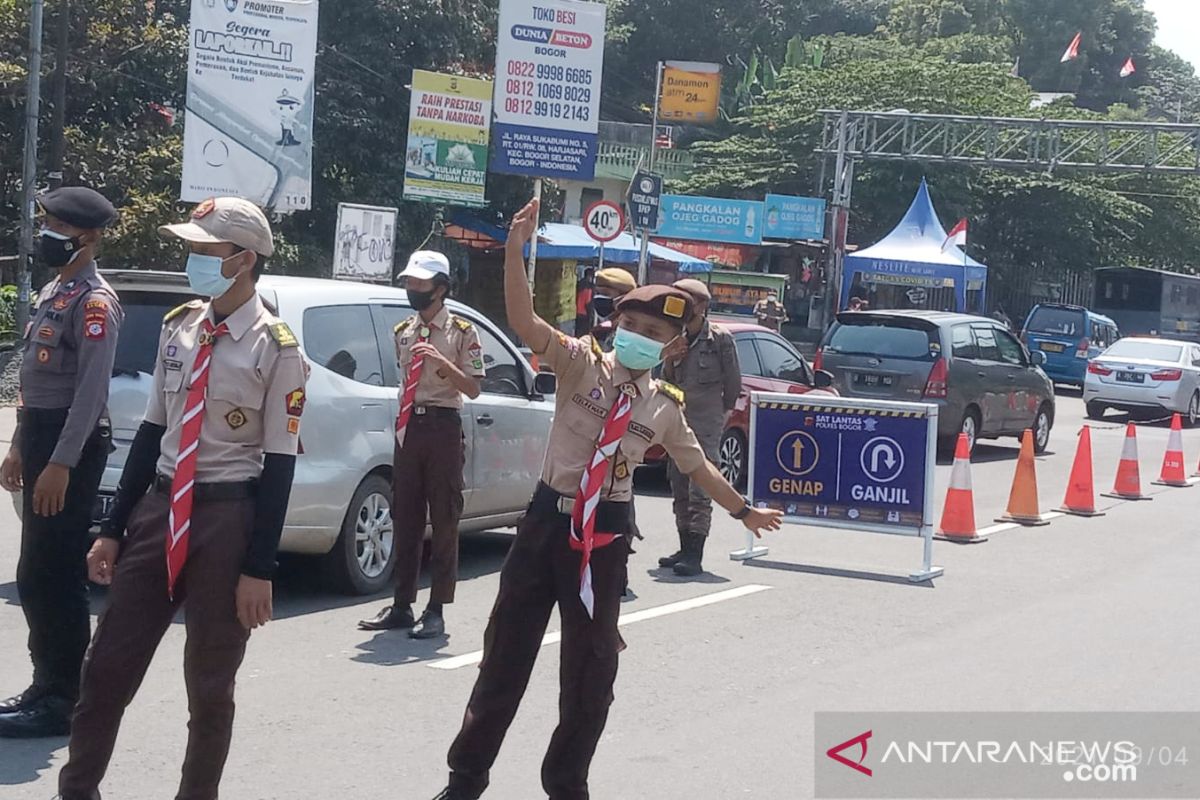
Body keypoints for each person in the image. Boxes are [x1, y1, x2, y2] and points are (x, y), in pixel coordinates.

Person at [428, 198, 782, 800]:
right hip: (546, 522)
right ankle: (466, 780)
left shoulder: (663, 405)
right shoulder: (578, 363)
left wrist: (743, 511)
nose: (642, 340)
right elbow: (524, 320)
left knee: (592, 674)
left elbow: (697, 465)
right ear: (616, 326)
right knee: (505, 656)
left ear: (672, 347)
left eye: (657, 335)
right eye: (635, 329)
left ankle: (567, 784)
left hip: (605, 537)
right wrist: (515, 249)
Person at [56, 196, 307, 799]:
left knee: (211, 686)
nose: (191, 257)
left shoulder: (277, 348)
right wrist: (113, 528)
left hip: (228, 517)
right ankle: (77, 790)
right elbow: (151, 434)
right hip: (160, 510)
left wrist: (259, 568)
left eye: (204, 250)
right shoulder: (179, 326)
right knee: (107, 668)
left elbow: (278, 464)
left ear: (243, 260)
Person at [0, 186, 123, 739]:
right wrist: (21, 445)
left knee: (56, 572)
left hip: (73, 446)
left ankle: (64, 697)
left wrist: (61, 464)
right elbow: (35, 381)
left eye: (57, 225)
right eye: (45, 221)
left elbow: (90, 394)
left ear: (89, 237)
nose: (47, 232)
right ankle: (45, 682)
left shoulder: (95, 302)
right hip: (44, 437)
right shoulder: (56, 290)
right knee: (34, 571)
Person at [358, 251, 484, 639]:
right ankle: (401, 604)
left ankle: (436, 608)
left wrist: (444, 365)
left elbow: (475, 388)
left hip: (444, 426)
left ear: (441, 288)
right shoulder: (403, 331)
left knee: (444, 516)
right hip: (409, 425)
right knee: (405, 514)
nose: (412, 289)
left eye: (420, 284)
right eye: (409, 282)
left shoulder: (463, 331)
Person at [659, 278, 741, 577]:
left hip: (706, 419)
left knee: (701, 485)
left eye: (687, 300)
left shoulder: (719, 338)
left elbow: (733, 382)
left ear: (702, 306)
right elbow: (666, 379)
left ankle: (695, 553)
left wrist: (723, 412)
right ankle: (684, 545)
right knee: (678, 482)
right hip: (677, 417)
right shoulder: (674, 335)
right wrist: (671, 357)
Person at [587, 266, 637, 350]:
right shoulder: (600, 331)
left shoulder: (629, 331)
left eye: (606, 294)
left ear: (623, 298)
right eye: (597, 293)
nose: (599, 297)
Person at [574, 267, 594, 337]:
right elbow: (587, 301)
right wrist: (590, 314)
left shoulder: (578, 284)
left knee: (576, 332)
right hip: (584, 313)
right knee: (583, 334)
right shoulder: (589, 286)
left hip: (576, 312)